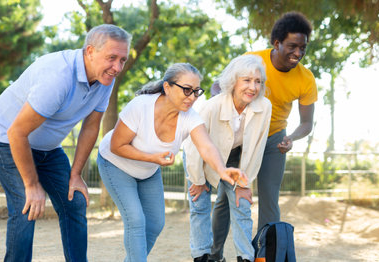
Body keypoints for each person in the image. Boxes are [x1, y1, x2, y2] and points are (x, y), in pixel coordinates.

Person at [0, 24, 132, 262]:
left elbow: (91, 126)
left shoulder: (105, 78)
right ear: (90, 51)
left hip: (47, 148)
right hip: (6, 137)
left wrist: (75, 174)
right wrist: (32, 185)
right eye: (112, 58)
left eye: (122, 60)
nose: (118, 67)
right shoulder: (58, 76)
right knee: (26, 206)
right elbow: (17, 132)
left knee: (75, 202)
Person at [96, 63, 247, 262]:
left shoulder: (190, 116)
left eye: (196, 92)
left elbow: (206, 146)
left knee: (156, 223)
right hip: (115, 163)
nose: (192, 97)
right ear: (167, 87)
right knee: (136, 219)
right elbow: (117, 146)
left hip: (147, 171)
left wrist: (222, 170)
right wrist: (152, 158)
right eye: (187, 90)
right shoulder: (141, 106)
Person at [209, 11, 317, 261]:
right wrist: (219, 106)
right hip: (238, 138)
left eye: (303, 48)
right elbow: (219, 85)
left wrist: (291, 137)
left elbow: (307, 123)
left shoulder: (306, 79)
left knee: (269, 200)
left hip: (273, 140)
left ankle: (265, 256)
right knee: (226, 200)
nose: (298, 53)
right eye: (292, 46)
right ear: (277, 43)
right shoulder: (251, 59)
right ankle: (214, 255)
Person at [183, 55, 272, 262]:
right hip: (201, 156)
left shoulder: (264, 106)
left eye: (258, 81)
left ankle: (245, 257)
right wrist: (197, 180)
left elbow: (256, 148)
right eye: (247, 80)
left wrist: (244, 182)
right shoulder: (212, 106)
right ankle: (202, 256)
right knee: (200, 205)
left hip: (235, 158)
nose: (253, 87)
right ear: (234, 81)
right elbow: (193, 146)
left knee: (242, 205)